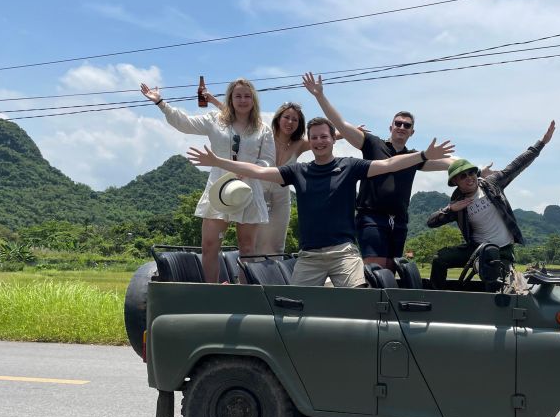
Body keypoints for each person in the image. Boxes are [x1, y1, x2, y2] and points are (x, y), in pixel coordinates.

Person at [187, 117, 454, 287]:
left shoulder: (350, 166)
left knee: (361, 301)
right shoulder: (298, 171)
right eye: (314, 137)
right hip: (309, 256)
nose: (319, 141)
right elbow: (257, 171)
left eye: (324, 136)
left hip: (343, 253)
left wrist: (422, 155)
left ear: (332, 139)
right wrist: (218, 161)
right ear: (310, 142)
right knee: (294, 308)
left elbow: (388, 163)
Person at [301, 72, 463, 272]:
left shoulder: (415, 157)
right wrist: (319, 96)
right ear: (391, 127)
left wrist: (478, 170)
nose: (401, 127)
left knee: (392, 269)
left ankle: (385, 303)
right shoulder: (372, 144)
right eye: (398, 123)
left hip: (400, 220)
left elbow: (450, 163)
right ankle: (367, 302)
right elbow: (341, 124)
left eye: (407, 125)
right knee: (376, 270)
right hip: (371, 217)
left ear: (412, 132)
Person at [140, 78, 274, 282]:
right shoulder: (216, 119)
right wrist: (160, 103)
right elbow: (184, 123)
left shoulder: (262, 129)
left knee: (247, 248)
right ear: (230, 98)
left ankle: (245, 293)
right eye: (238, 96)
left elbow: (268, 161)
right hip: (218, 189)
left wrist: (249, 171)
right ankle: (212, 291)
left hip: (248, 190)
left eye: (247, 96)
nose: (243, 100)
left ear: (253, 100)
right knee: (209, 245)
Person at [426, 121, 556, 290]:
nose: (469, 178)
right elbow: (431, 222)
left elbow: (516, 166)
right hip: (476, 249)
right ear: (456, 182)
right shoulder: (458, 202)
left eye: (471, 173)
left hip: (501, 251)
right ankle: (437, 298)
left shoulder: (491, 185)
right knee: (439, 258)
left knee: (494, 283)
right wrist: (450, 209)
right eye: (463, 176)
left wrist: (542, 143)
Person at [255, 102, 310, 255]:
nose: (290, 122)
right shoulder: (264, 134)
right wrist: (212, 100)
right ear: (278, 118)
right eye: (287, 117)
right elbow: (242, 117)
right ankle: (246, 277)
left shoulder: (299, 144)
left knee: (276, 243)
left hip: (281, 198)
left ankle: (273, 277)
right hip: (258, 193)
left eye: (295, 120)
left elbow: (324, 137)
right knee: (253, 240)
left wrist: (350, 132)